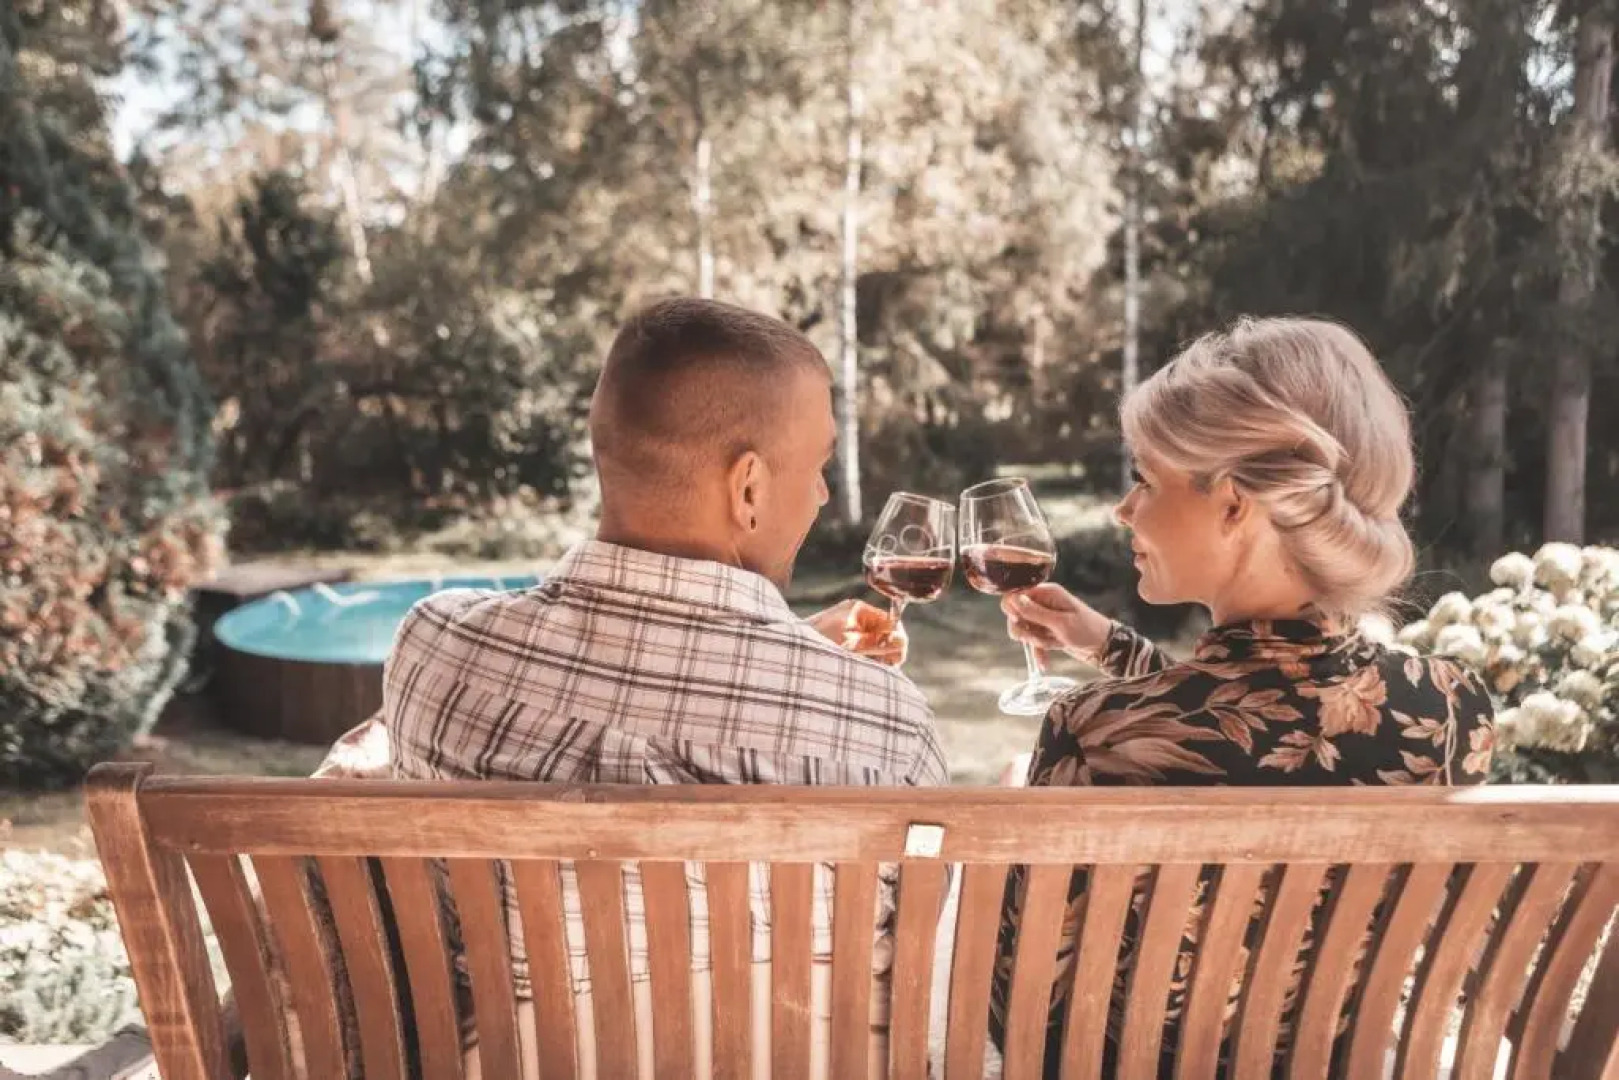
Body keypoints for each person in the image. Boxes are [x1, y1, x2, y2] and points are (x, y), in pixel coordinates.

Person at [367, 296, 945, 1079]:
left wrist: (790, 652)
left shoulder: (433, 645)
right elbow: (917, 946)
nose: (819, 496)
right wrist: (804, 670)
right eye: (815, 469)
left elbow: (620, 706)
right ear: (746, 488)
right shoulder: (886, 726)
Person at [988, 316, 1495, 1076]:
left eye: (1146, 480)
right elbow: (1278, 720)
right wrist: (1112, 649)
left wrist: (1015, 819)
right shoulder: (1454, 709)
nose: (1124, 510)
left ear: (1233, 507)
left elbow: (1021, 1020)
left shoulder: (1093, 732)